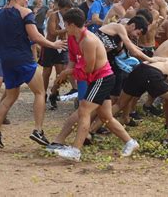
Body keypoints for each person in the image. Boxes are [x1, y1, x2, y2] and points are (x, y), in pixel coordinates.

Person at [47, 8, 139, 161]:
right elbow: (76, 61)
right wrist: (68, 72)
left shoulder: (88, 40)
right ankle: (130, 142)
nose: (64, 28)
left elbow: (89, 68)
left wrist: (67, 73)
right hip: (94, 79)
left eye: (66, 25)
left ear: (71, 25)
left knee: (84, 111)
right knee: (106, 117)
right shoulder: (72, 38)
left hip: (102, 78)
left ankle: (75, 151)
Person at [0, 0, 66, 149]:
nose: (27, 1)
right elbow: (36, 36)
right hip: (23, 59)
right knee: (39, 92)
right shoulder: (25, 13)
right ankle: (38, 130)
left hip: (6, 61)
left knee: (10, 96)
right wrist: (54, 44)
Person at [41, 0, 73, 106]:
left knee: (61, 72)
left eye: (69, 10)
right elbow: (52, 31)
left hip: (62, 46)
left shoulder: (69, 18)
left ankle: (54, 93)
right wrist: (67, 30)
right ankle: (42, 94)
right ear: (60, 8)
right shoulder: (54, 16)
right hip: (51, 45)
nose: (67, 12)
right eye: (65, 10)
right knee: (47, 71)